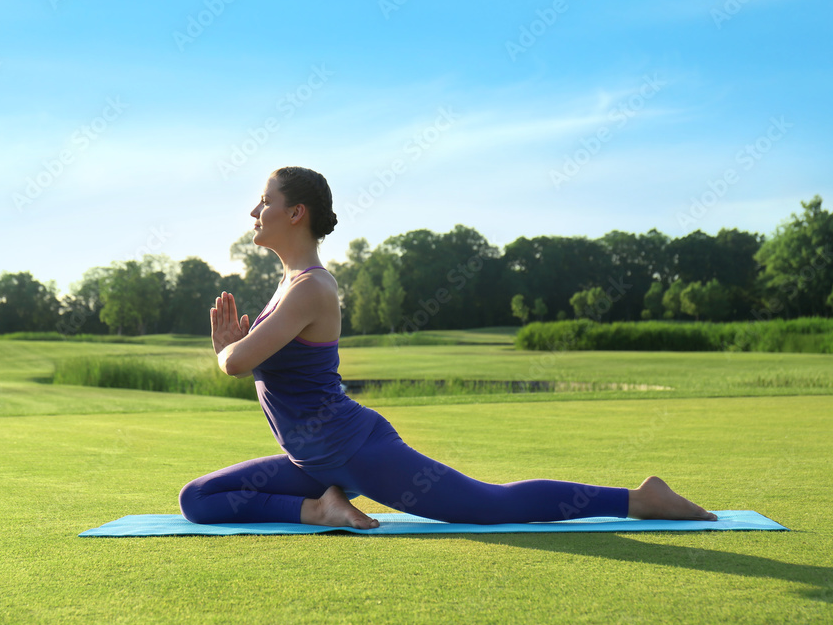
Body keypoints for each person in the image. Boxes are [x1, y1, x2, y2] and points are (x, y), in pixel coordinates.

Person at [179, 166, 717, 529]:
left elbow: (239, 364)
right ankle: (321, 508)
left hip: (356, 451)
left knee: (487, 505)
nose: (254, 210)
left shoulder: (311, 288)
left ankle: (640, 498)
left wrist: (228, 347)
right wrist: (236, 348)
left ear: (296, 213)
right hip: (312, 461)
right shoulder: (287, 283)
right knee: (197, 499)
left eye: (265, 202)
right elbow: (250, 361)